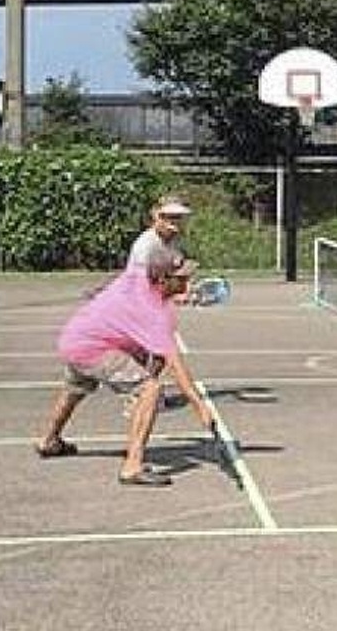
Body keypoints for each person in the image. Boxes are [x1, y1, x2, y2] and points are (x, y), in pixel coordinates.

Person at [36, 248, 214, 486]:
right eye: (181, 278)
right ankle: (132, 466)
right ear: (162, 280)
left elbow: (115, 287)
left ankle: (49, 440)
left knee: (75, 388)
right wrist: (199, 406)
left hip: (77, 335)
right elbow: (174, 363)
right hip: (96, 347)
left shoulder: (137, 275)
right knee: (150, 388)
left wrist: (172, 295)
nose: (187, 281)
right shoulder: (155, 314)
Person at [127, 194, 192, 270]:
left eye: (178, 217)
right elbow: (140, 277)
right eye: (170, 217)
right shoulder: (146, 244)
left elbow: (177, 264)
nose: (175, 221)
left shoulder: (174, 241)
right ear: (157, 218)